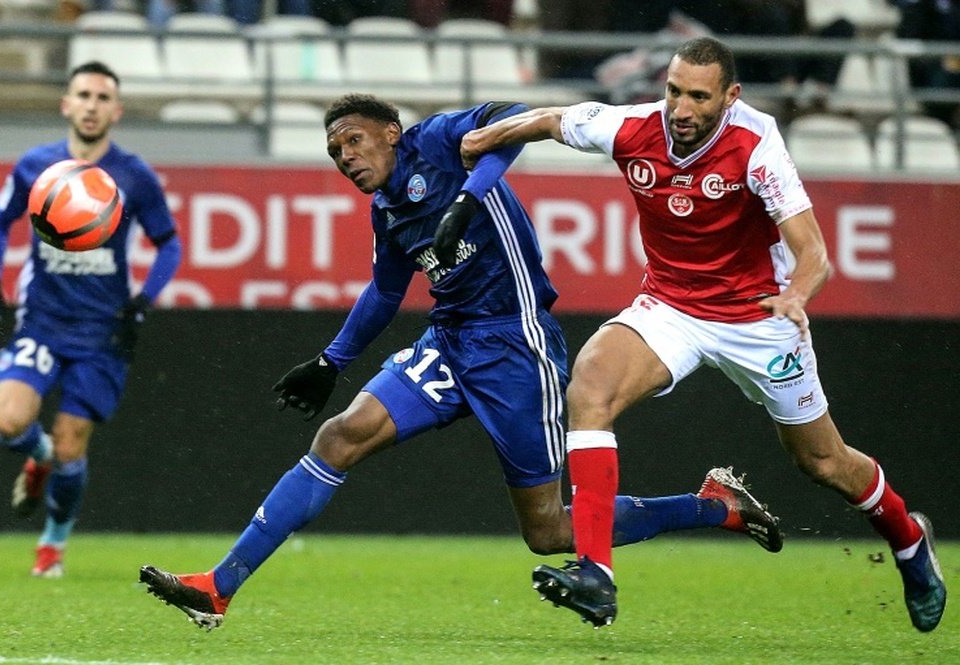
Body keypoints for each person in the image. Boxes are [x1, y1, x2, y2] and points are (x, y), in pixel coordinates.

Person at [138, 93, 782, 631]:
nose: (347, 157)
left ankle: (714, 505)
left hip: (516, 345)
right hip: (449, 341)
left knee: (550, 532)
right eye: (336, 152)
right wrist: (331, 361)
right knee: (339, 435)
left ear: (391, 133)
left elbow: (517, 119)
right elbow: (388, 290)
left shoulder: (441, 140)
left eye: (355, 141)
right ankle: (219, 587)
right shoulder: (387, 209)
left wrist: (469, 198)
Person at [460, 36, 947, 632]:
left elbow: (813, 252)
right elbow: (551, 119)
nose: (681, 109)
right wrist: (485, 138)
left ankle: (907, 541)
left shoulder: (756, 143)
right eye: (672, 92)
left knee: (823, 462)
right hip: (670, 307)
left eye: (697, 96)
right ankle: (596, 571)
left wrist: (795, 295)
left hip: (760, 320)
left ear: (730, 97)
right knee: (590, 388)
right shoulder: (631, 127)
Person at [0, 60, 182, 578]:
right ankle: (36, 456)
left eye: (102, 97)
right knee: (9, 423)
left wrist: (142, 301)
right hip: (41, 321)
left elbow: (169, 245)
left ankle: (52, 544)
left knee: (72, 447)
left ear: (117, 110)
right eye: (83, 95)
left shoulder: (134, 176)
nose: (92, 105)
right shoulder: (36, 166)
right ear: (66, 104)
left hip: (101, 331)